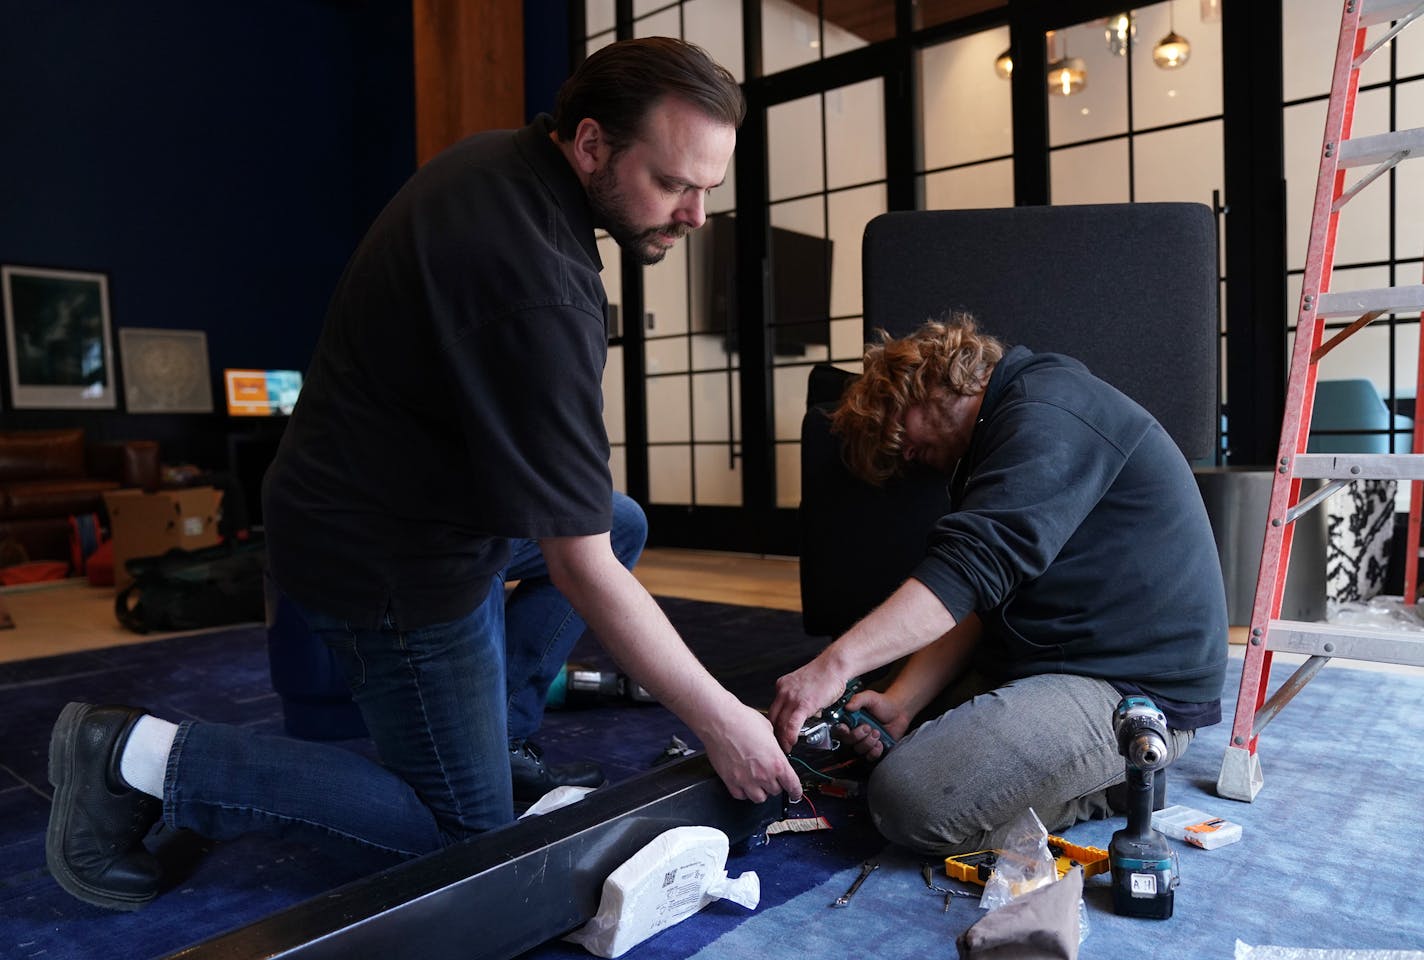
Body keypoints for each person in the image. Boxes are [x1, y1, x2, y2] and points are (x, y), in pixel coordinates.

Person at [46, 36, 801, 912]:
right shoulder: (544, 288)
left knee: (619, 517)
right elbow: (578, 567)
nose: (697, 215)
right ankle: (131, 757)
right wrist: (721, 719)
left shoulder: (502, 157)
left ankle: (502, 740)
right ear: (591, 144)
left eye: (710, 188)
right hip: (386, 561)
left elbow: (581, 522)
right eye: (674, 184)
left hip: (382, 497)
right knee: (469, 844)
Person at [769, 316, 1227, 856]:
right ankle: (1075, 768)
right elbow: (980, 601)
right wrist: (902, 701)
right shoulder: (1006, 429)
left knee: (908, 799)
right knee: (895, 743)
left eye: (896, 427)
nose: (902, 455)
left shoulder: (1047, 409)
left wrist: (833, 664)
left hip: (1134, 690)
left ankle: (1115, 783)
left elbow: (968, 567)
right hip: (1059, 658)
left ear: (927, 380)